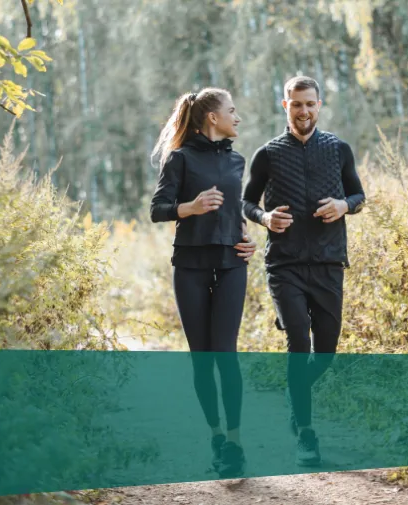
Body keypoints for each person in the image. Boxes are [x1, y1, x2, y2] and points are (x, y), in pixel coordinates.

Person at [241, 76, 365, 467]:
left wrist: (345, 206)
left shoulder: (338, 149)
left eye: (310, 104)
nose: (304, 111)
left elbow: (358, 194)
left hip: (329, 262)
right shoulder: (268, 154)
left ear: (319, 104)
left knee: (325, 355)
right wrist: (264, 217)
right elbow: (246, 202)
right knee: (299, 340)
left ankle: (295, 395)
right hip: (285, 264)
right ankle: (307, 436)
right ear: (285, 106)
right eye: (297, 104)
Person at [149, 87, 256, 478]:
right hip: (191, 266)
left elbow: (235, 214)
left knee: (225, 354)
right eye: (232, 110)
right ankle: (215, 436)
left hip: (231, 264)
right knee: (202, 358)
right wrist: (190, 208)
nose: (237, 117)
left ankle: (235, 444)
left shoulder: (237, 160)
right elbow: (157, 210)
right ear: (213, 117)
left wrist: (248, 239)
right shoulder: (179, 159)